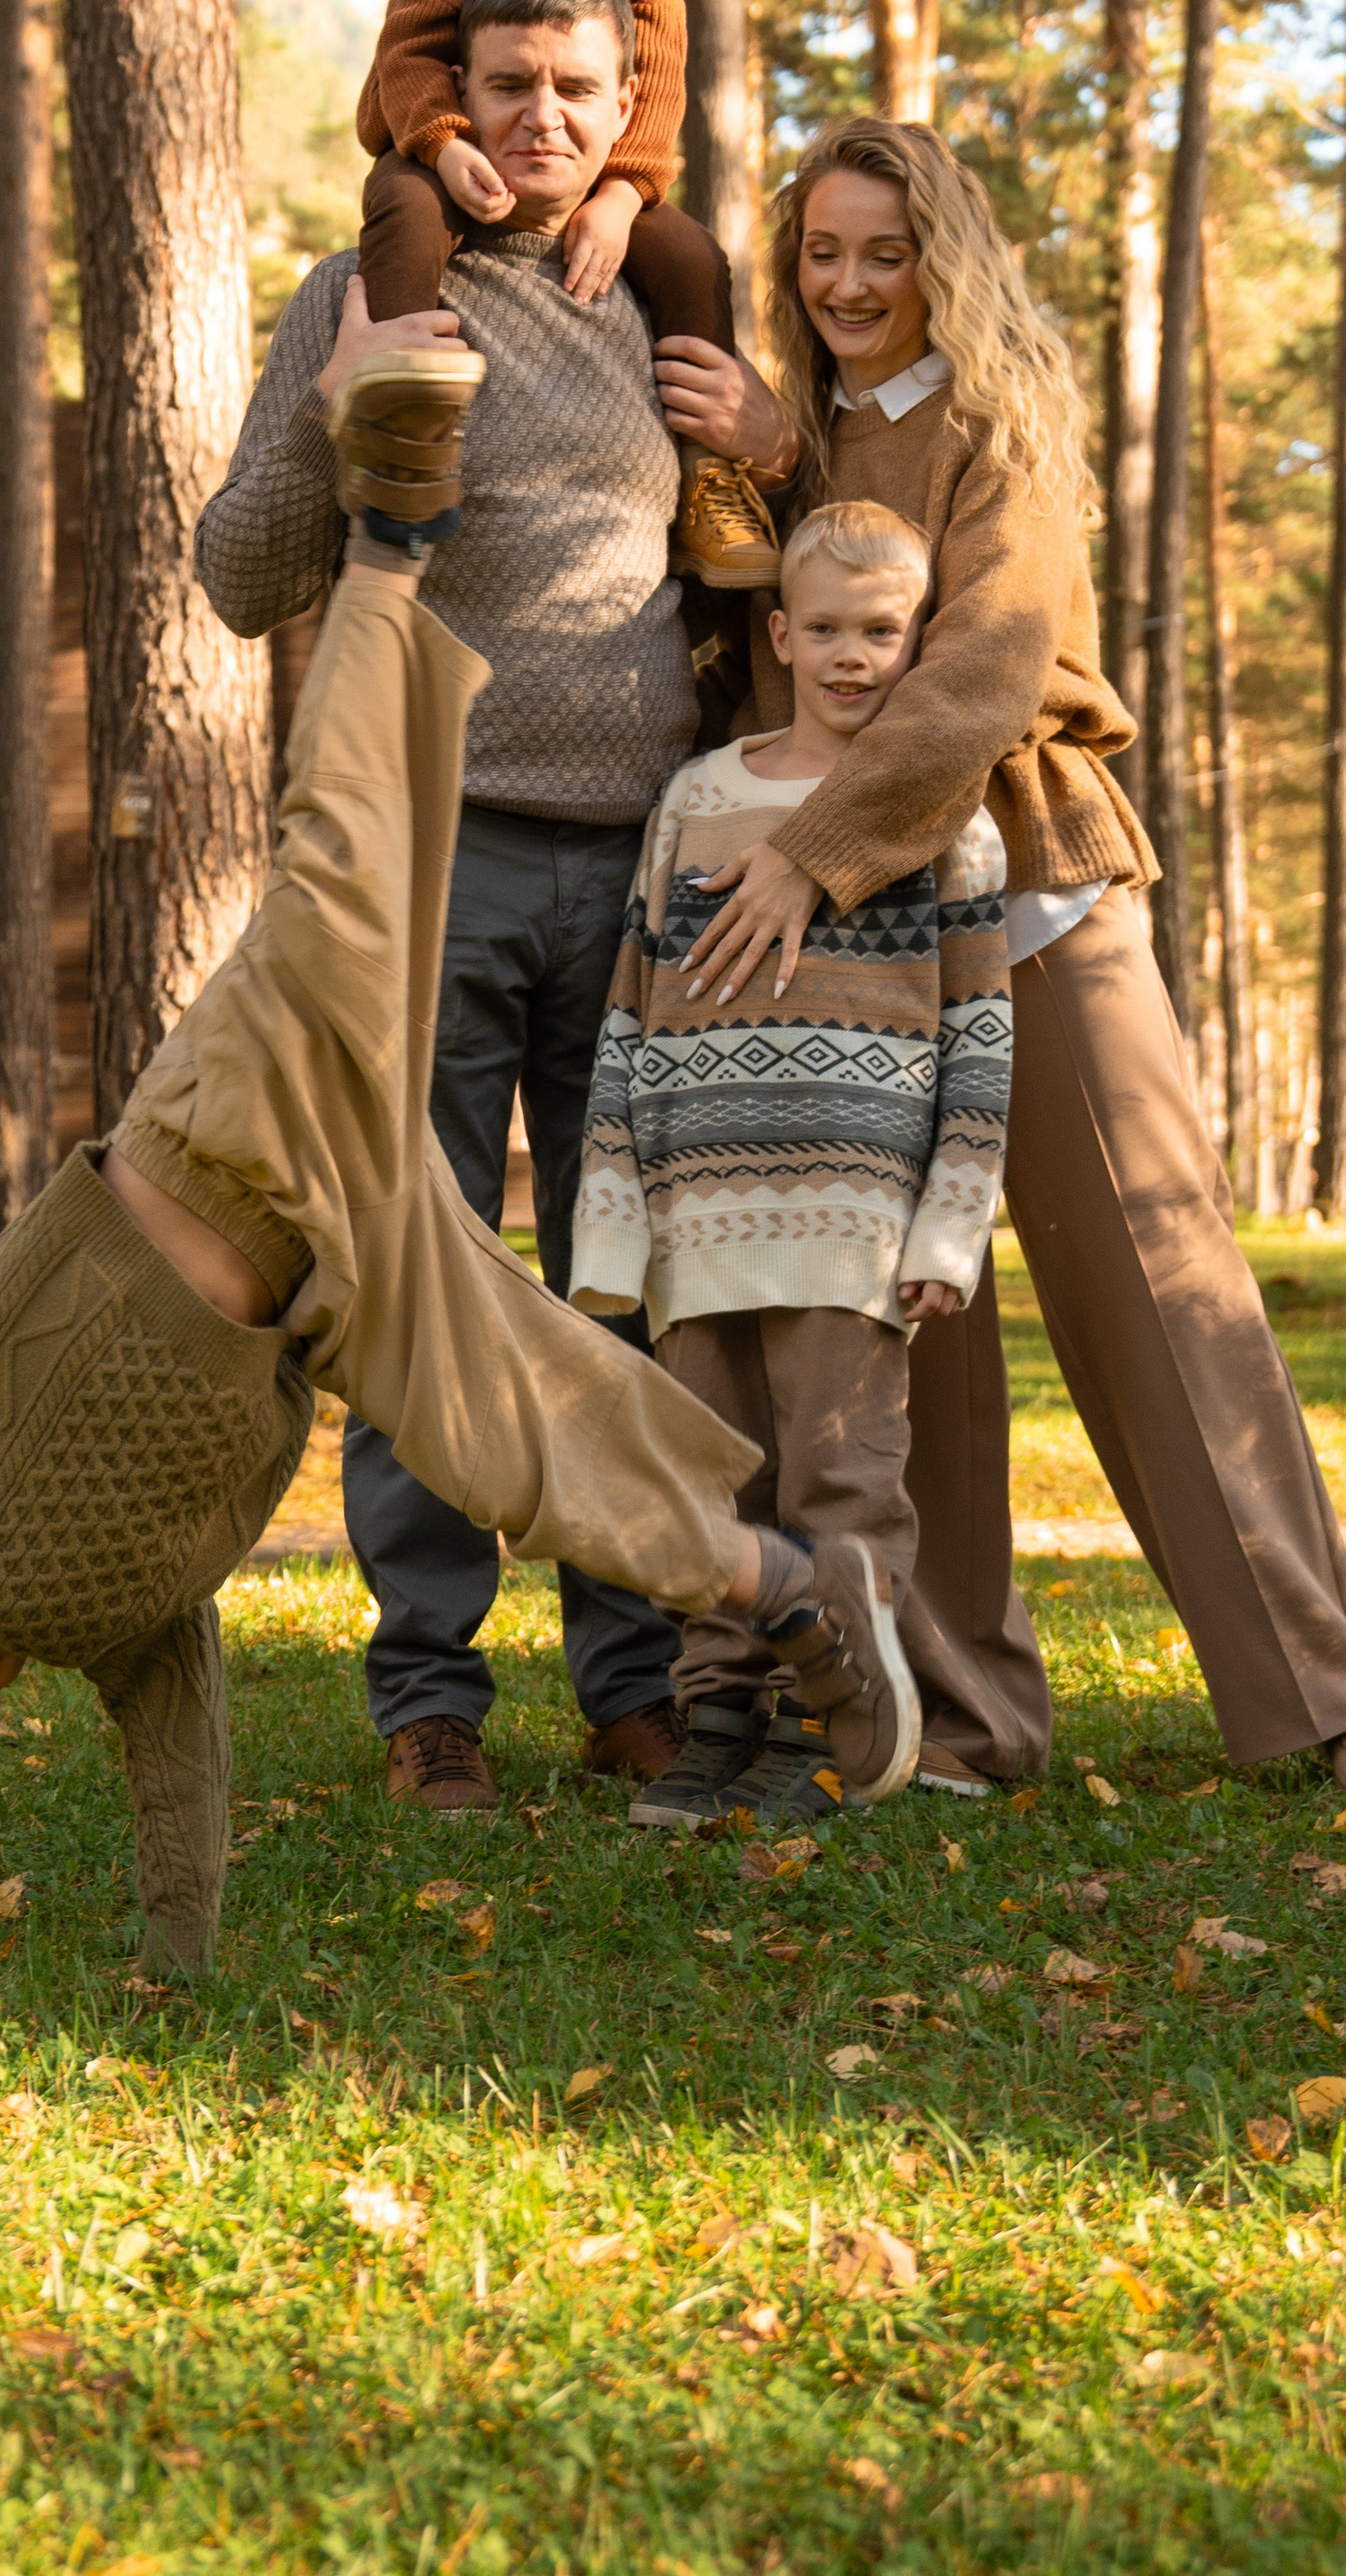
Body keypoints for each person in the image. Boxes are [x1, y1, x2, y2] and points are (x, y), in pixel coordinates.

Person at [0, 358, 915, 1974]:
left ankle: (392, 532)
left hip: (221, 1132)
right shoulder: (120, 1619)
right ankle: (782, 1582)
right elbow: (181, 1767)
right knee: (518, 1441)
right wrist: (178, 1957)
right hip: (335, 1285)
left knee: (340, 867)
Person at [688, 116, 1346, 1808]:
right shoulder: (797, 445)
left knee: (1167, 1295)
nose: (850, 282)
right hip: (869, 941)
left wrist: (805, 851)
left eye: (884, 253)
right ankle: (963, 1718)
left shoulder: (998, 424)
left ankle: (1327, 1693)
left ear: (941, 259)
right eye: (823, 251)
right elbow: (784, 644)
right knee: (916, 1334)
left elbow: (982, 668)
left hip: (1034, 896)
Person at [196, 0, 794, 1813]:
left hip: (640, 876)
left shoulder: (665, 306)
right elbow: (240, 579)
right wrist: (337, 406)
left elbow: (783, 562)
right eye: (510, 81)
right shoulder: (367, 288)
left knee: (618, 1283)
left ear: (624, 110)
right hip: (426, 861)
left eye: (576, 89)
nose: (542, 116)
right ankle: (430, 1700)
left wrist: (767, 439)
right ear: (454, 94)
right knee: (418, 1274)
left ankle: (632, 1683)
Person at [570, 499, 1008, 1824]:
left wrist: (949, 1228)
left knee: (838, 1480)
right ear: (779, 636)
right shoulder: (698, 800)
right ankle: (718, 1716)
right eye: (825, 629)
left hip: (853, 1222)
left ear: (919, 643)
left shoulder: (939, 818)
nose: (852, 656)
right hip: (695, 1217)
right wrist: (612, 1216)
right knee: (713, 1484)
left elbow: (980, 1036)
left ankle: (839, 1725)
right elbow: (631, 1009)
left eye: (881, 631)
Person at [355, 0, 776, 587]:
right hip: (441, 144)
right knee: (403, 216)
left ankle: (709, 473)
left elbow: (656, 75)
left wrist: (621, 195)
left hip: (590, 171)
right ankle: (405, 435)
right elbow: (411, 48)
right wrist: (444, 145)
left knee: (691, 258)